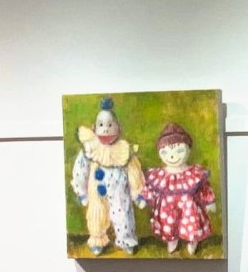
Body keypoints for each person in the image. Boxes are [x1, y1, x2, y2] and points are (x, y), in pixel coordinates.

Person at [71, 98, 146, 255]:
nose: (105, 129)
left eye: (110, 125)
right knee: (96, 212)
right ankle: (97, 239)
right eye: (101, 125)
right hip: (96, 187)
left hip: (119, 188)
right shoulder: (90, 148)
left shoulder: (124, 149)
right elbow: (80, 169)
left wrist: (138, 193)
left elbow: (134, 171)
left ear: (118, 128)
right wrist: (81, 191)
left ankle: (126, 239)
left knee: (122, 212)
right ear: (94, 127)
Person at [143, 122, 216, 255]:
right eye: (166, 151)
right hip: (167, 211)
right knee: (169, 224)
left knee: (191, 222)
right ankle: (172, 238)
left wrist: (209, 201)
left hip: (189, 208)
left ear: (188, 150)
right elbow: (151, 189)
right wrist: (144, 198)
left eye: (179, 151)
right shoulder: (159, 175)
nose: (173, 156)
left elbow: (204, 187)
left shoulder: (194, 173)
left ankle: (192, 239)